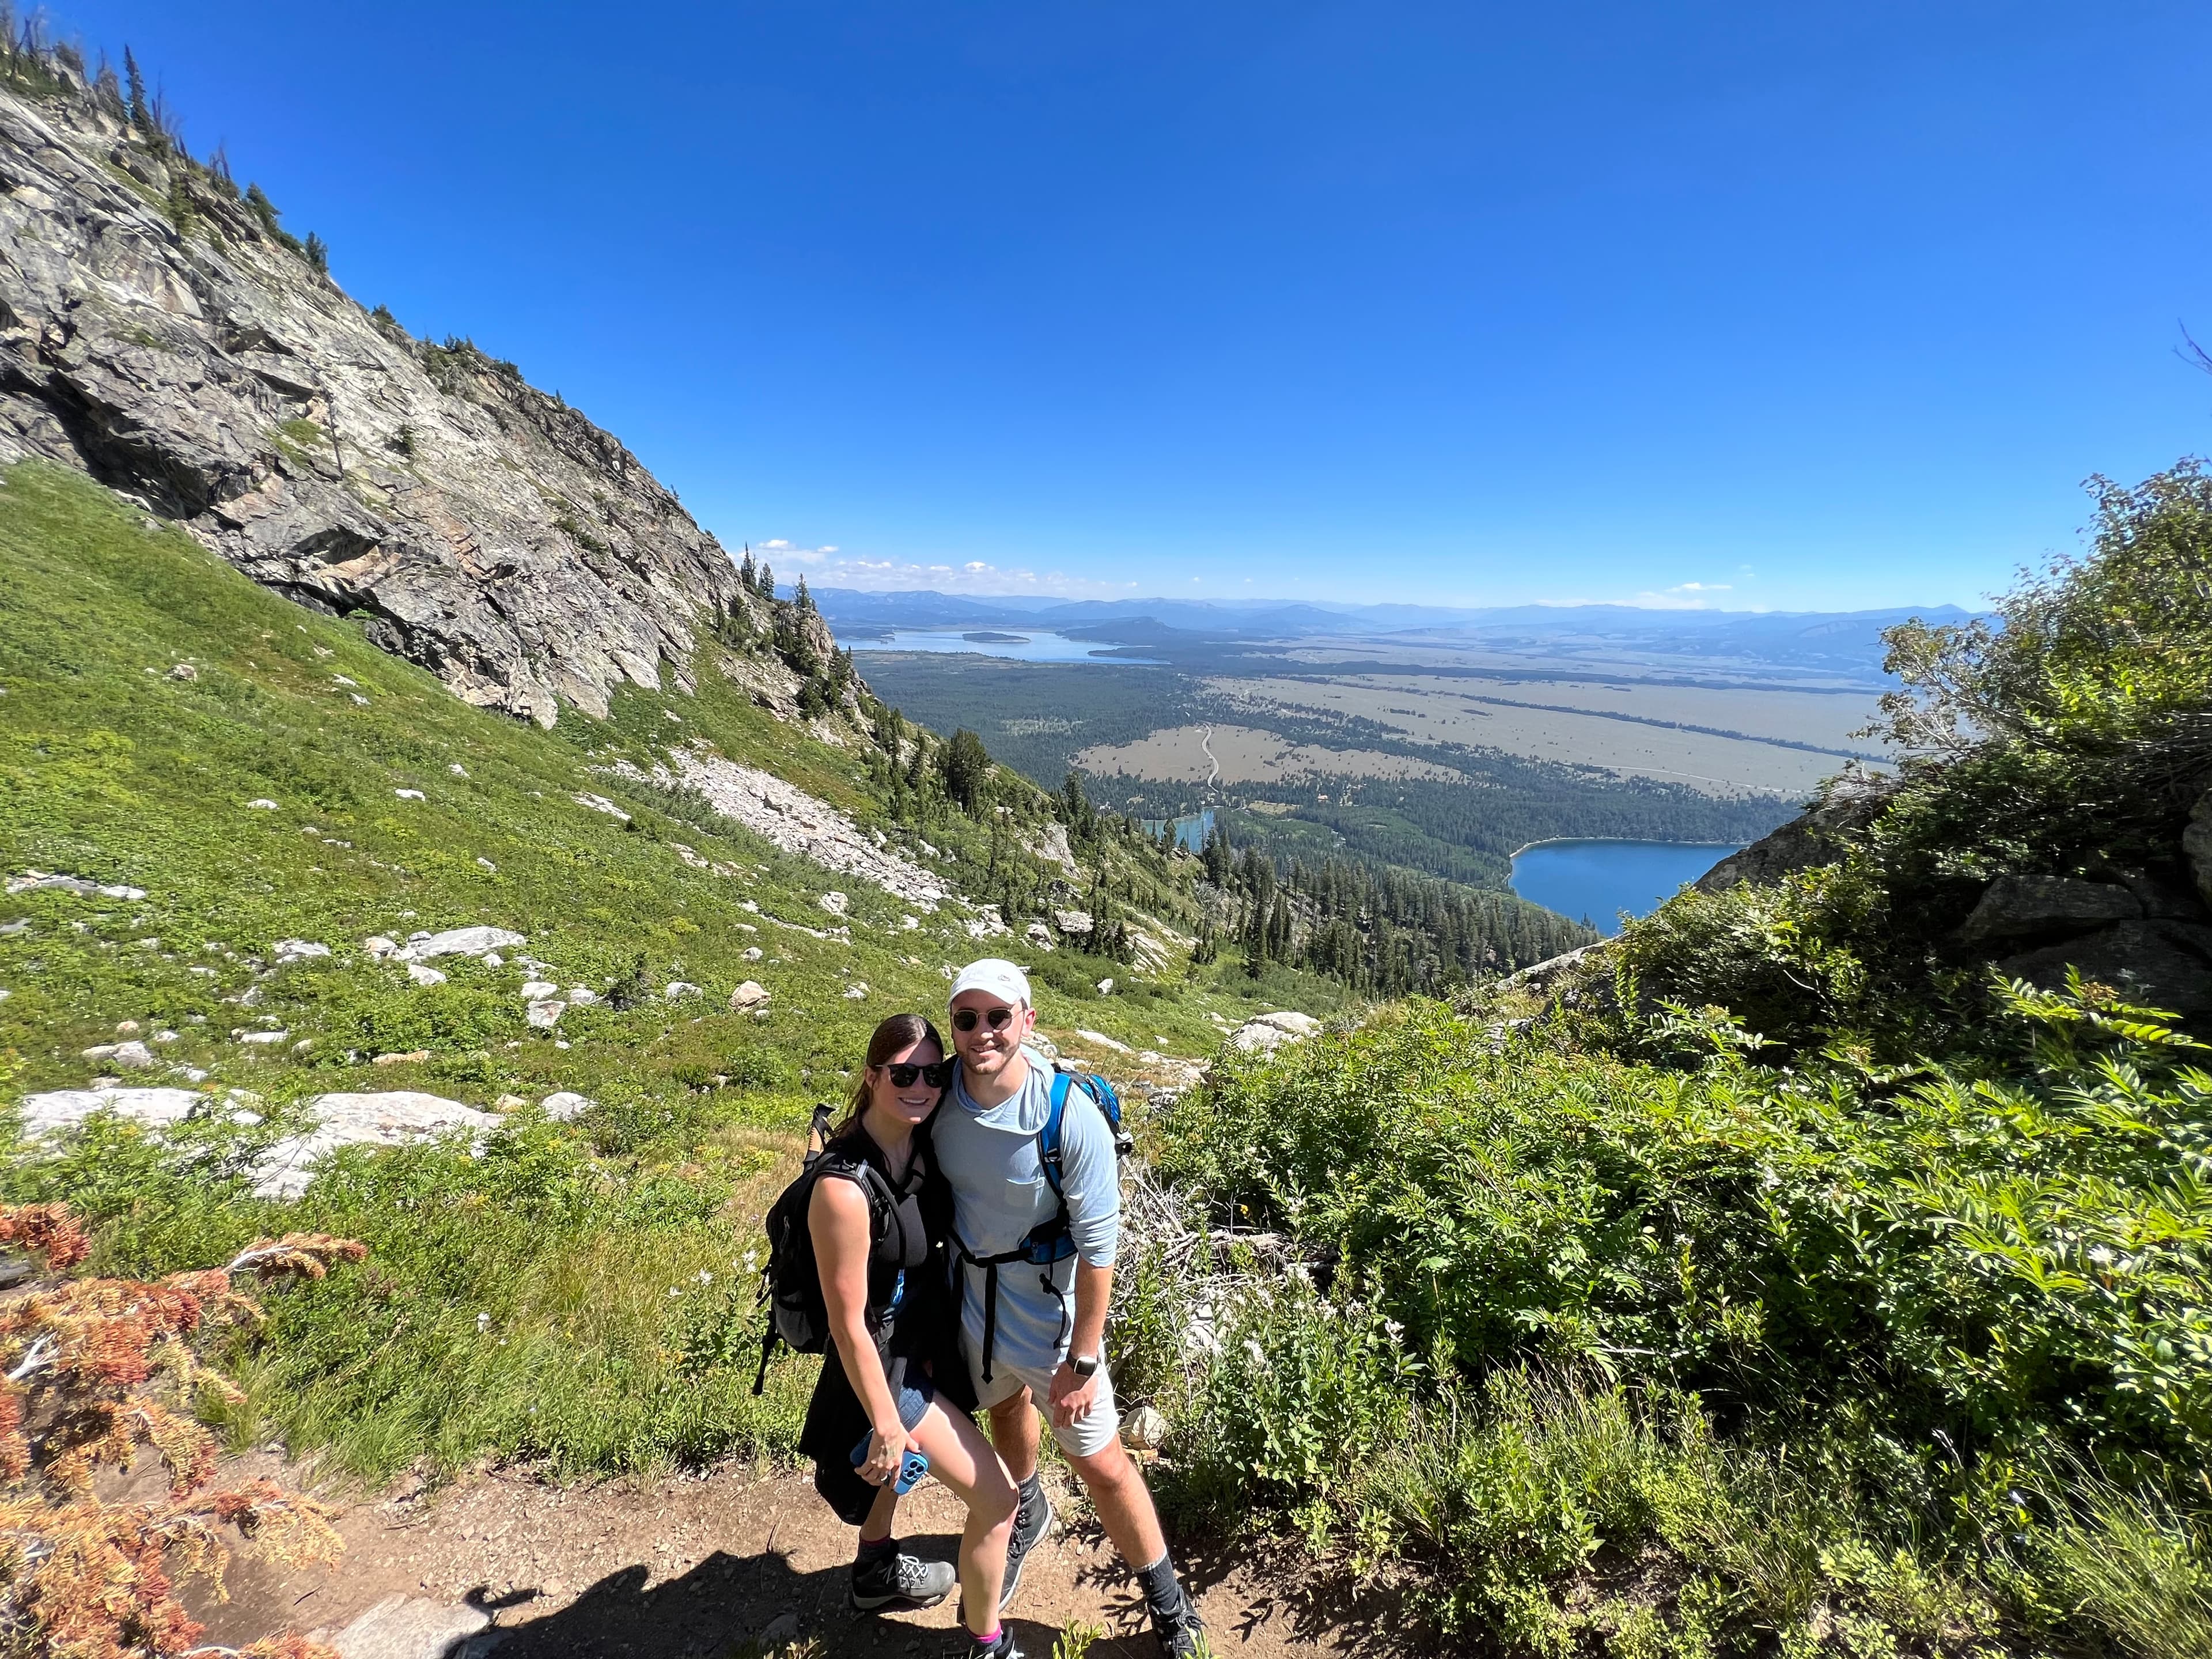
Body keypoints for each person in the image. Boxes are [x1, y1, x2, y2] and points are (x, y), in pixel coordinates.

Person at [934, 960, 1207, 1658]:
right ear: (953, 1028)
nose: (982, 1032)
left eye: (999, 1017)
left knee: (1104, 1464)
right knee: (1003, 1409)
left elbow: (1099, 1248)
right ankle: (1025, 1509)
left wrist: (1084, 1360)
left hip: (1053, 1324)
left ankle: (1170, 1606)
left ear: (1027, 1021)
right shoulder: (938, 1101)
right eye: (967, 1019)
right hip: (974, 1307)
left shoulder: (1064, 1114)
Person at [796, 1013, 1024, 1658]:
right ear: (872, 1078)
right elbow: (848, 1324)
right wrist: (890, 1424)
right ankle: (989, 1645)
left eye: (932, 1072)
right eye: (903, 1073)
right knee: (999, 1501)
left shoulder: (919, 1147)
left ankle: (873, 1572)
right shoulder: (843, 1189)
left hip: (916, 1352)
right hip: (888, 1376)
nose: (922, 1085)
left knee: (904, 1480)